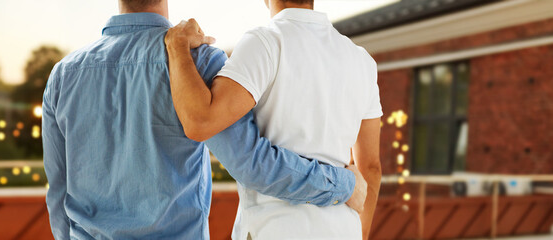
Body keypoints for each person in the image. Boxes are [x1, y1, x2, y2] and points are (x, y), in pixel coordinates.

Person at [42, 0, 368, 239]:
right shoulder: (196, 61)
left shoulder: (63, 75)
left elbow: (58, 190)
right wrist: (343, 184)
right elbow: (252, 163)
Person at [164, 0, 383, 239]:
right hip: (342, 230)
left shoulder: (266, 43)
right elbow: (370, 168)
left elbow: (201, 122)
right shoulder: (362, 61)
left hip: (273, 229)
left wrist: (177, 48)